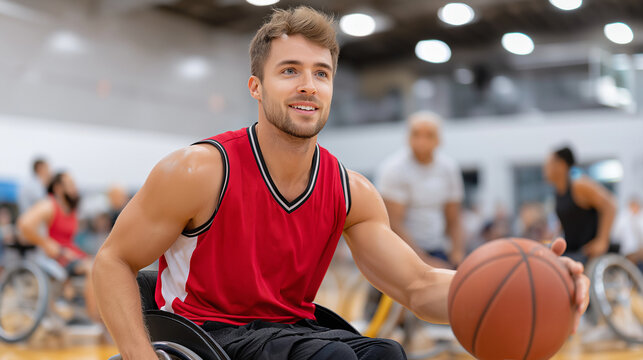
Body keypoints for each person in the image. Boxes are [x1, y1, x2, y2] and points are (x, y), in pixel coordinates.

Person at [93, 7, 589, 360]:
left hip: (288, 333)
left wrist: (535, 285)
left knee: (386, 354)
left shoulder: (351, 190)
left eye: (321, 73)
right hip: (205, 333)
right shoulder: (199, 170)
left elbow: (418, 287)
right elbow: (112, 261)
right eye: (290, 71)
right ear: (257, 87)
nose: (308, 84)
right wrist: (140, 356)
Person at [376, 112, 464, 268]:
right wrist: (424, 262)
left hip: (437, 248)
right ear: (408, 138)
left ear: (439, 140)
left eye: (428, 135)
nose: (422, 141)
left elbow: (454, 219)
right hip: (400, 251)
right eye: (416, 134)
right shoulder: (393, 169)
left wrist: (457, 255)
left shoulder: (449, 169)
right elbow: (394, 224)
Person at [17, 172, 98, 319]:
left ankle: (93, 313)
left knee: (102, 264)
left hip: (71, 254)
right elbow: (24, 224)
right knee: (91, 268)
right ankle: (97, 320)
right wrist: (46, 243)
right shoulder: (49, 205)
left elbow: (69, 240)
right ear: (58, 188)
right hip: (56, 258)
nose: (74, 189)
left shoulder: (71, 209)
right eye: (70, 185)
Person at [544, 146, 617, 263]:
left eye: (548, 164)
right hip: (572, 250)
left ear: (562, 164)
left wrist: (602, 241)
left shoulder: (579, 185)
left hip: (588, 252)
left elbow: (610, 205)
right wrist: (553, 236)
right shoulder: (558, 192)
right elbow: (569, 218)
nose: (545, 168)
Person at [614, 196, 643, 272]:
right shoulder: (624, 218)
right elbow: (616, 234)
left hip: (639, 252)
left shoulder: (640, 219)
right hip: (626, 252)